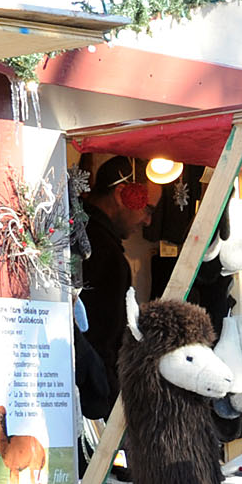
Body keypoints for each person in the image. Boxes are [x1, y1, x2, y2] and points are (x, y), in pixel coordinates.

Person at [80, 156, 147, 395]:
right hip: (94, 388)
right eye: (146, 208)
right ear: (121, 194)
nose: (147, 219)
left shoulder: (86, 234)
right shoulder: (103, 251)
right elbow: (101, 340)